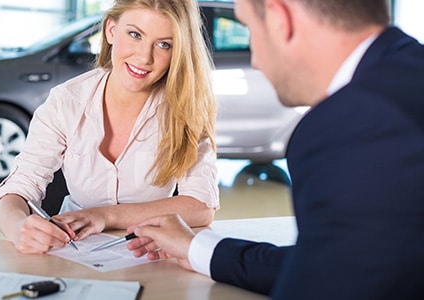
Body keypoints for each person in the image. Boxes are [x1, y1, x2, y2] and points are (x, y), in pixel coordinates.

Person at [127, 0, 424, 298]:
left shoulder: (353, 125)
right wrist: (198, 249)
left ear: (280, 19)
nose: (255, 60)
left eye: (250, 29)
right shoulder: (408, 72)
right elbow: (339, 262)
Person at [0, 0, 219, 255]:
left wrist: (106, 215)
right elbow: (18, 189)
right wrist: (18, 228)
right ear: (111, 30)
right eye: (135, 35)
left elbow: (202, 206)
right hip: (72, 250)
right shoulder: (66, 101)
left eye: (163, 44)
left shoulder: (185, 109)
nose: (144, 57)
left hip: (150, 254)